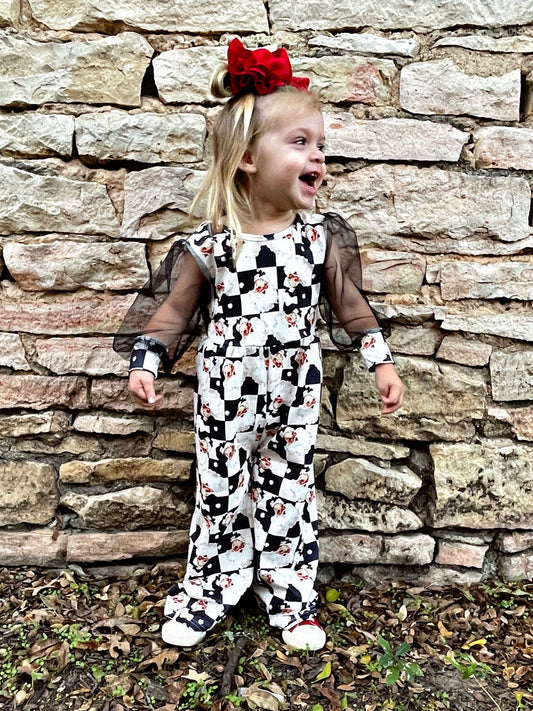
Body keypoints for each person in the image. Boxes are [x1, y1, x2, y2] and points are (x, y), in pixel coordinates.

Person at [114, 38, 404, 651]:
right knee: (220, 489)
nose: (318, 155)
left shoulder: (319, 238)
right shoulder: (213, 244)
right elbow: (174, 311)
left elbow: (350, 305)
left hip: (296, 393)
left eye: (320, 144)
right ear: (247, 157)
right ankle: (209, 590)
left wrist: (380, 362)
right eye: (300, 142)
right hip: (226, 394)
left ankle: (289, 593)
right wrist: (148, 361)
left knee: (289, 488)